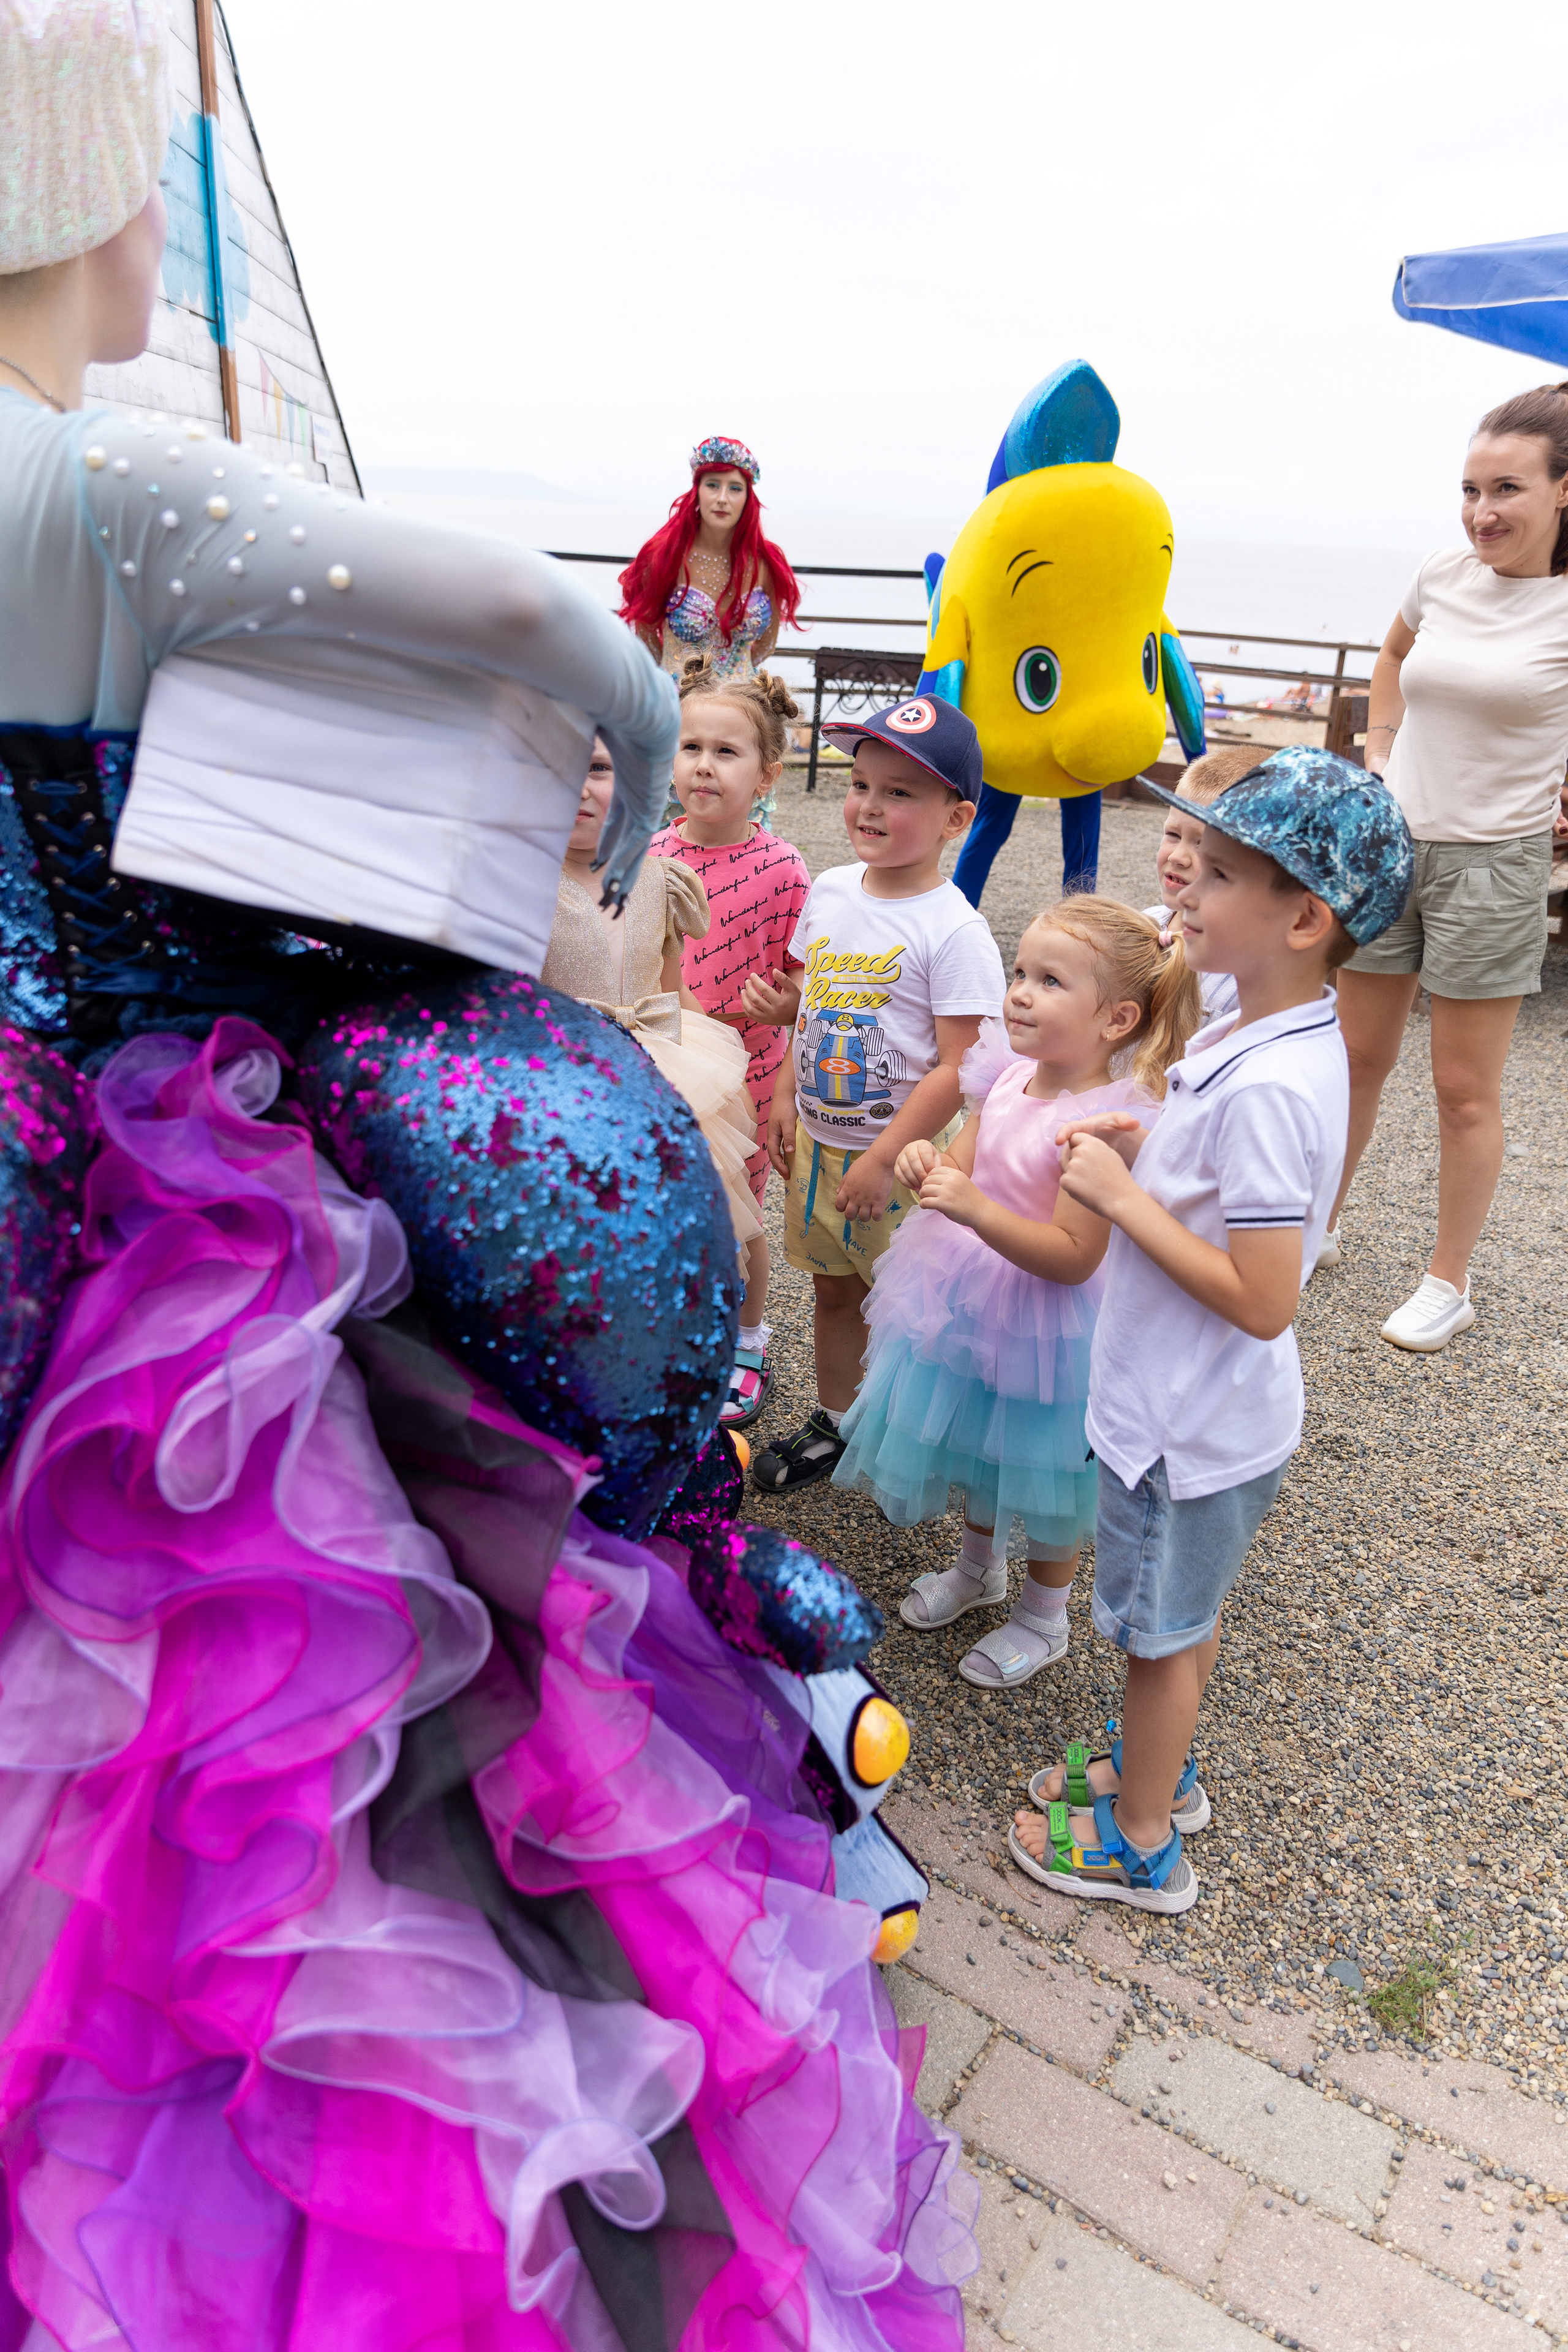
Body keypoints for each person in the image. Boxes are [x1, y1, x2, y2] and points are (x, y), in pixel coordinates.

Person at [0, 14, 978, 2344]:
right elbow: (554, 631)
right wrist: (634, 771)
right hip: (164, 1150)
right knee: (306, 1682)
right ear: (89, 189)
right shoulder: (91, 485)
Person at [1009, 751, 1412, 1915]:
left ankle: (1140, 1844)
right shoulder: (1272, 1034)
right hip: (1195, 1416)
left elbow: (1264, 1295)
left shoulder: (1273, 1085)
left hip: (1186, 1428)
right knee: (1180, 1627)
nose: (1188, 886)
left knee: (1157, 1638)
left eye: (1222, 872)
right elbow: (1227, 1198)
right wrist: (1155, 1163)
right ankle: (1163, 1777)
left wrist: (1126, 1202)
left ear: (1304, 918)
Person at [835, 898, 1200, 1688]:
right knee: (976, 1441)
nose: (1021, 993)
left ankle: (1043, 1612)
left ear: (1116, 1020)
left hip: (1048, 1325)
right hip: (966, 1296)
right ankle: (978, 1569)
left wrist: (973, 1207)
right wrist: (928, 1163)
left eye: (1050, 981)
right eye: (1021, 973)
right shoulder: (1006, 1078)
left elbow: (1072, 1255)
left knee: (1045, 1466)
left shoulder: (1101, 1122)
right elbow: (964, 1161)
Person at [1325, 385, 1568, 1350]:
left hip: (1493, 866)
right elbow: (1392, 656)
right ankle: (1315, 1226)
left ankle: (1448, 1280)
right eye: (1469, 489)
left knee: (1463, 1091)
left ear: (1564, 493)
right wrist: (1380, 754)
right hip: (1393, 846)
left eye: (1507, 488)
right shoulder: (1443, 572)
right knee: (1351, 1060)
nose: (1482, 513)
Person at [750, 696, 1006, 1493]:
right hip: (820, 1147)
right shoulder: (829, 890)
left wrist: (886, 1156)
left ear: (956, 817)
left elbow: (961, 1067)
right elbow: (816, 1000)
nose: (869, 805)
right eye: (862, 783)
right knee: (833, 1290)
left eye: (900, 792)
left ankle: (913, 1432)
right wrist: (787, 1092)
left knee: (909, 1308)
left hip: (898, 1165)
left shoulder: (953, 931)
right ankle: (839, 1420)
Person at [649, 660, 812, 1425]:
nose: (704, 766)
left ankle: (748, 1338)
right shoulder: (650, 856)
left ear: (766, 775)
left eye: (726, 751)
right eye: (690, 748)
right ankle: (681, 1329)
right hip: (664, 1059)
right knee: (680, 1201)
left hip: (749, 1071)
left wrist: (785, 1006)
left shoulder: (783, 868)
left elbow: (803, 981)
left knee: (741, 1214)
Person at [540, 733, 764, 1253]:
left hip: (664, 1074)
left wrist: (728, 1076)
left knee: (675, 1225)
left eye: (597, 768)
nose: (576, 787)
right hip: (567, 1080)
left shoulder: (663, 881)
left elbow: (673, 987)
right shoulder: (526, 887)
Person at [618, 435, 801, 683]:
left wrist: (737, 681)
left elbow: (767, 644)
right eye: (713, 485)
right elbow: (646, 633)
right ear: (698, 491)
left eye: (735, 488)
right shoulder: (664, 556)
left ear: (748, 498)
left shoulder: (765, 564)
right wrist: (672, 678)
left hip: (742, 704)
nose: (723, 498)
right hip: (680, 702)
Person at [1141, 744, 1274, 1024]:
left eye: (1203, 845)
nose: (1178, 857)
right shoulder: (1142, 928)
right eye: (1173, 834)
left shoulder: (1252, 981)